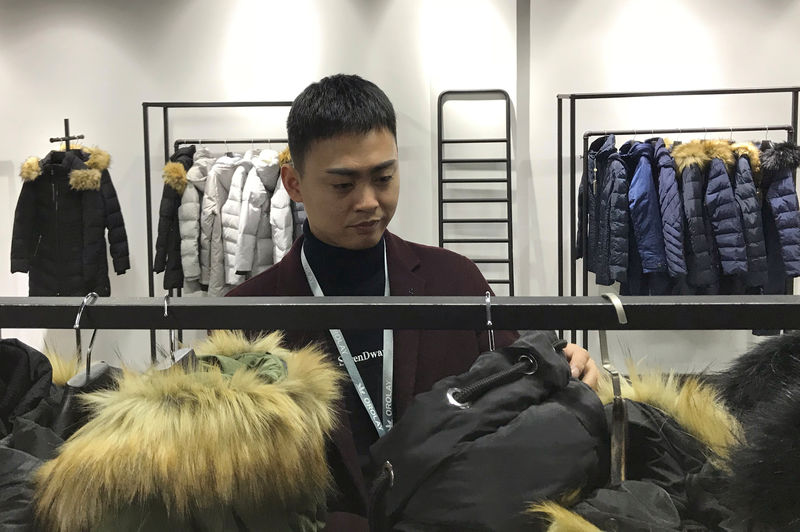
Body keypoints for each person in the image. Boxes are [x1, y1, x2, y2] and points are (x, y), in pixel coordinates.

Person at [227, 74, 598, 531]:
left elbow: (511, 391)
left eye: (383, 177)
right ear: (294, 183)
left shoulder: (456, 281)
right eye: (343, 185)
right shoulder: (245, 317)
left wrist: (562, 365)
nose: (368, 202)